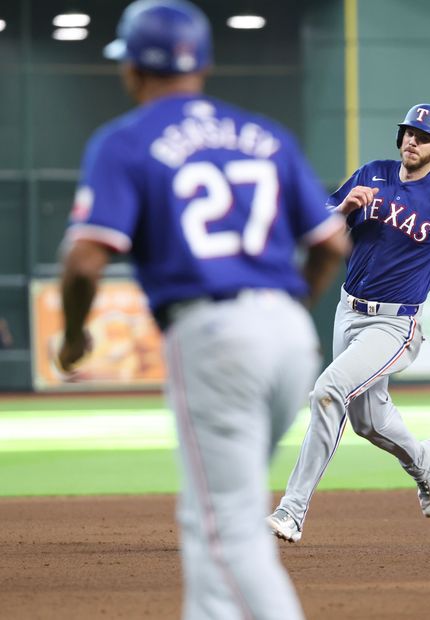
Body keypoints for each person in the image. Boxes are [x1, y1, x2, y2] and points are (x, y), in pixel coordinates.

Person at [57, 1, 349, 618]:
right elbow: (331, 243)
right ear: (205, 65)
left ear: (132, 69)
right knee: (220, 516)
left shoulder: (125, 140)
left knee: (225, 528)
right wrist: (290, 306)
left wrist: (75, 337)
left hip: (215, 335)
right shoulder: (266, 134)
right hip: (291, 335)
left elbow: (85, 260)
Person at [267, 103, 430, 542]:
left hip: (395, 324)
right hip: (348, 311)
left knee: (329, 390)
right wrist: (343, 208)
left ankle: (291, 511)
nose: (412, 140)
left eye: (423, 136)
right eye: (408, 131)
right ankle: (423, 459)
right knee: (367, 420)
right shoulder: (371, 173)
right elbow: (319, 234)